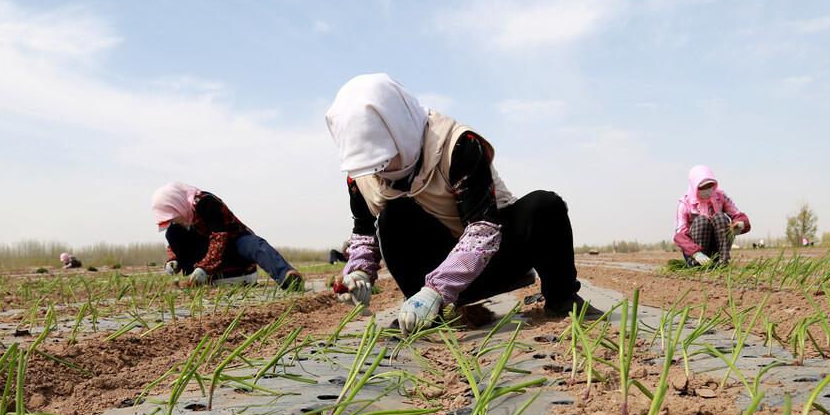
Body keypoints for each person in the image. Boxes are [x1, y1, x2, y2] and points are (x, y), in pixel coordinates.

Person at [325, 72, 597, 336]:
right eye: (373, 164)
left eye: (385, 159)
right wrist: (359, 273)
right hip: (433, 274)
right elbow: (363, 233)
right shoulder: (360, 173)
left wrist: (437, 289)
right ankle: (422, 316)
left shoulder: (457, 145)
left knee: (544, 205)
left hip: (497, 260)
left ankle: (562, 298)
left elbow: (483, 231)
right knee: (393, 216)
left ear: (400, 129)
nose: (381, 172)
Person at [151, 182, 303, 291]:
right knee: (172, 233)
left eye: (173, 216)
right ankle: (196, 281)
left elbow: (219, 238)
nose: (173, 221)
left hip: (234, 241)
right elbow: (176, 244)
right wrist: (174, 260)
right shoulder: (177, 225)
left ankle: (286, 276)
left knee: (256, 245)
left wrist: (205, 268)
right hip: (209, 254)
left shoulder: (205, 202)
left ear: (177, 204)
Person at [673, 165, 750, 267]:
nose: (707, 190)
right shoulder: (685, 204)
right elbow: (679, 235)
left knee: (720, 217)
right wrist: (696, 253)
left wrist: (740, 224)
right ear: (694, 186)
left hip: (716, 249)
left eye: (710, 186)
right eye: (702, 188)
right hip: (695, 253)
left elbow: (737, 214)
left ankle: (723, 260)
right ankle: (698, 263)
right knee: (702, 221)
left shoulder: (721, 197)